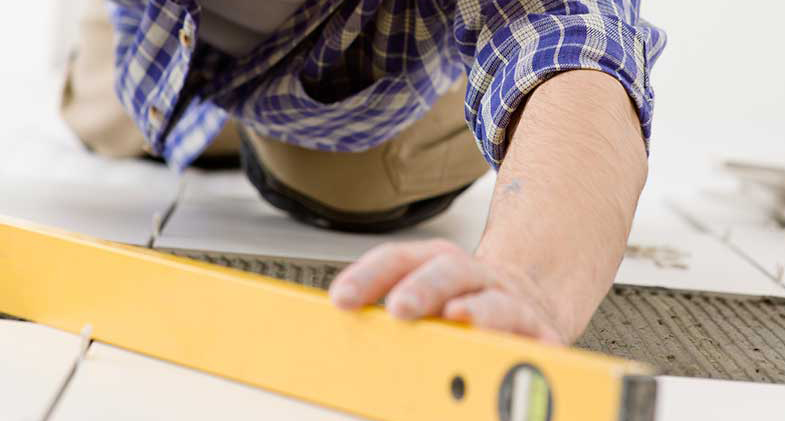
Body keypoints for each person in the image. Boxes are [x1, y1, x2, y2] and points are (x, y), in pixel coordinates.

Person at [62, 0, 665, 344]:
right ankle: (208, 110)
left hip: (358, 90)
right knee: (101, 116)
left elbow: (577, 61)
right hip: (154, 32)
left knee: (348, 190)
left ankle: (457, 86)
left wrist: (532, 281)